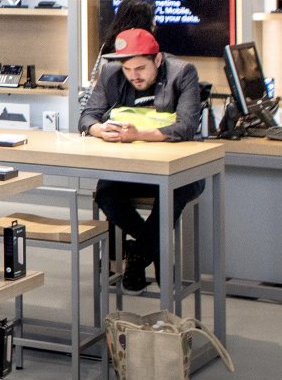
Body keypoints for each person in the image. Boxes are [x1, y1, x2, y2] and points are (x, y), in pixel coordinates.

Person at [79, 27, 205, 292]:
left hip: (182, 171)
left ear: (157, 60)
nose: (134, 76)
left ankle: (137, 253)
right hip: (133, 170)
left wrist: (140, 134)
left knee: (171, 194)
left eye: (140, 68)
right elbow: (87, 116)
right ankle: (152, 251)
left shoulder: (182, 72)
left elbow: (186, 127)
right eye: (127, 69)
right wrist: (99, 129)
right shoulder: (111, 73)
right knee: (105, 193)